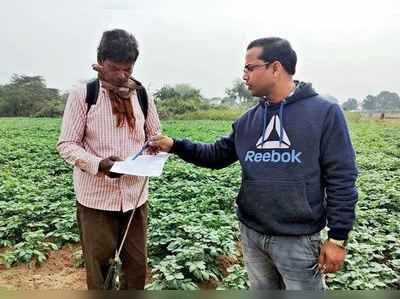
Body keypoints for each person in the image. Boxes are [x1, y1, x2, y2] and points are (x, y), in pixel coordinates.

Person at [147, 37, 358, 290]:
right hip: (252, 235)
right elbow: (217, 155)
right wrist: (175, 145)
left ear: (276, 68)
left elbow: (342, 177)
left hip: (298, 239)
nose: (244, 76)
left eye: (250, 68)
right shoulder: (249, 120)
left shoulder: (324, 113)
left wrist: (337, 238)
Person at [57, 29, 160, 289]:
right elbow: (67, 145)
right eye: (115, 68)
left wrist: (154, 149)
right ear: (100, 61)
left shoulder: (141, 94)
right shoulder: (84, 95)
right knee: (100, 269)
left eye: (128, 68)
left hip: (135, 198)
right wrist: (100, 164)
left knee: (136, 267)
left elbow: (154, 135)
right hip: (96, 199)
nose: (122, 75)